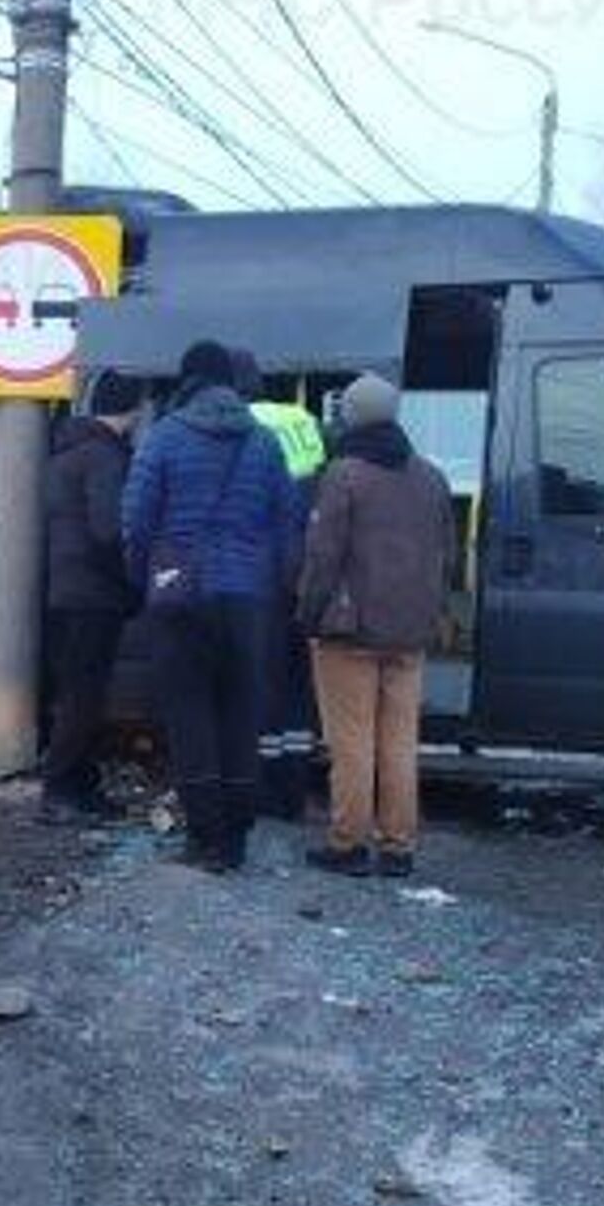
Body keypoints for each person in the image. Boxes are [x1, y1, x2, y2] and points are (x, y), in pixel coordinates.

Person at [123, 340, 296, 873]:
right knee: (240, 714)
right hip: (247, 600)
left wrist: (144, 583)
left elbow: (135, 523)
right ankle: (238, 838)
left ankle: (205, 840)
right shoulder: (265, 444)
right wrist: (270, 587)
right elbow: (288, 525)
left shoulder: (163, 438)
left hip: (181, 596)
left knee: (189, 712)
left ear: (188, 381)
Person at [298, 371, 455, 879]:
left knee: (352, 743)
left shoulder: (344, 475)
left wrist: (308, 614)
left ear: (351, 416)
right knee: (399, 742)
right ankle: (398, 846)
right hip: (410, 632)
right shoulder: (432, 477)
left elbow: (323, 557)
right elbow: (446, 556)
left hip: (350, 631)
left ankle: (348, 843)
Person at [40, 369, 144, 822]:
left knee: (78, 694)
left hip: (65, 590)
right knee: (84, 697)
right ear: (133, 410)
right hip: (93, 595)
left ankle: (80, 788)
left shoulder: (68, 452)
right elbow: (108, 532)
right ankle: (61, 791)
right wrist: (129, 583)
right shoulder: (105, 457)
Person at [230, 348, 325, 822]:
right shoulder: (302, 420)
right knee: (296, 687)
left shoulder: (240, 425)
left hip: (258, 574)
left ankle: (262, 790)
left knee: (259, 686)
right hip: (302, 571)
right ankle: (295, 788)